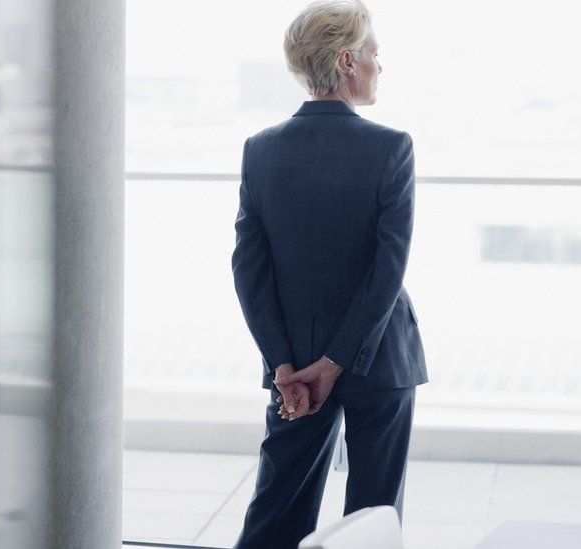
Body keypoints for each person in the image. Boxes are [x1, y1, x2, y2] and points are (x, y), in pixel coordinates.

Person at [230, 1, 428, 547]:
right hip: (380, 360)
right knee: (373, 518)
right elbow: (388, 269)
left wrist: (286, 364)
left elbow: (249, 268)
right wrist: (336, 362)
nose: (378, 66)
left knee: (276, 512)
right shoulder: (392, 147)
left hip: (294, 367)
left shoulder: (261, 150)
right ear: (347, 60)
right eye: (373, 54)